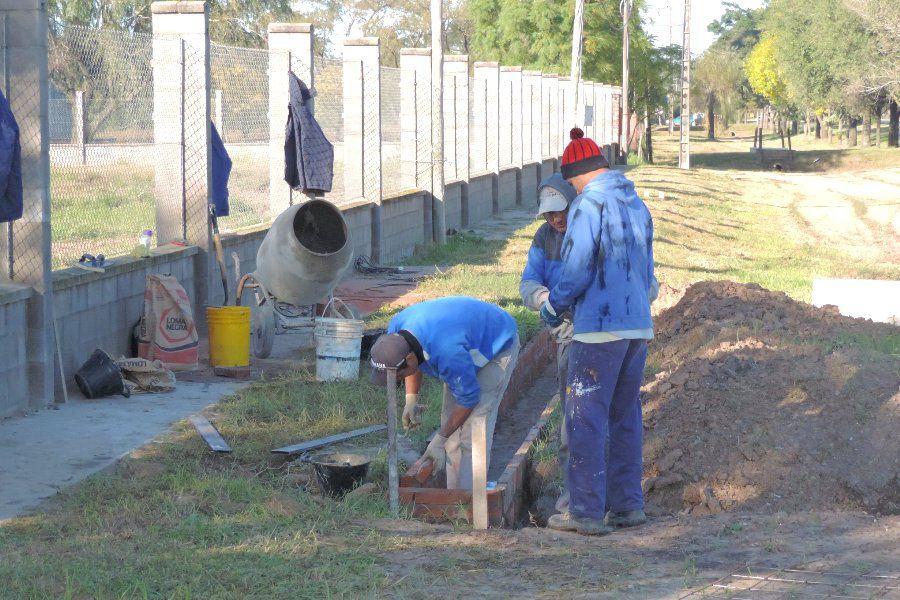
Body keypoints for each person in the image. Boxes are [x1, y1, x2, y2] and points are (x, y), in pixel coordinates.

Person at [541, 128, 658, 536]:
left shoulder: (588, 204)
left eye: (570, 182)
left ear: (578, 175)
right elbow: (650, 276)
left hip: (599, 330)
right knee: (625, 416)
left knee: (584, 417)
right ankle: (627, 507)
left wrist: (553, 305)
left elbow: (576, 270)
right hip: (638, 328)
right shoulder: (637, 203)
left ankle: (585, 513)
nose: (570, 189)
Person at [369, 296, 520, 489]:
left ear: (409, 358)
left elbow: (469, 398)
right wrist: (411, 399)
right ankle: (454, 493)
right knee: (451, 428)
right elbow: (412, 361)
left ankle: (469, 503)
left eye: (399, 377)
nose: (398, 380)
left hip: (496, 345)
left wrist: (438, 441)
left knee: (473, 431)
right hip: (461, 339)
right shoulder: (395, 334)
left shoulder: (447, 352)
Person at [519, 173, 577, 514]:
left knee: (580, 418)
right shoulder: (544, 237)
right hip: (564, 334)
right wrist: (548, 300)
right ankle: (576, 493)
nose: (556, 219)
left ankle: (583, 497)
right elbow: (528, 283)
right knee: (571, 416)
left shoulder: (585, 233)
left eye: (562, 210)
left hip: (588, 334)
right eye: (549, 213)